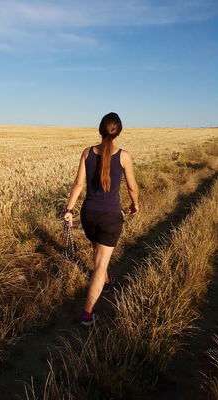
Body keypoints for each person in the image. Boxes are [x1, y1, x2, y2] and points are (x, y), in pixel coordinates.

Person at [63, 112, 139, 326]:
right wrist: (135, 205)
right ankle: (87, 314)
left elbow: (78, 184)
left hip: (88, 215)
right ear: (119, 132)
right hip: (110, 217)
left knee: (97, 251)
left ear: (100, 129)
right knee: (100, 263)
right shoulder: (124, 156)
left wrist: (69, 209)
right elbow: (132, 187)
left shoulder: (87, 152)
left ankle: (106, 281)